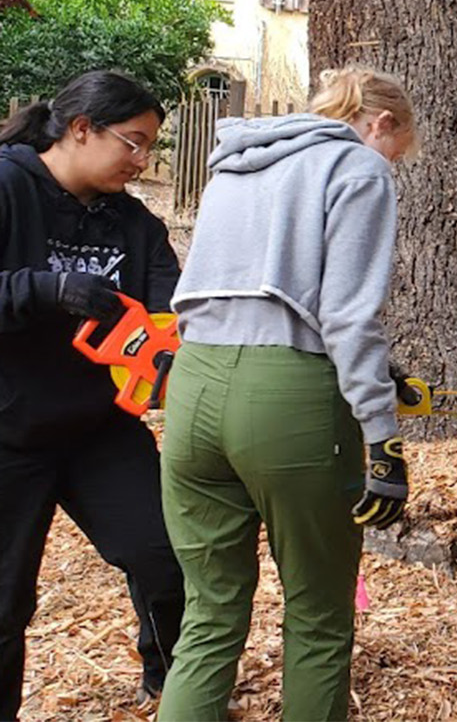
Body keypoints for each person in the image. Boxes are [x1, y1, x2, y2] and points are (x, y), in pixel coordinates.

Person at [156, 67, 416, 721]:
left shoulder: (236, 162)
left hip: (192, 389)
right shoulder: (357, 167)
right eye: (398, 149)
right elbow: (347, 316)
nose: (393, 164)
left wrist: (374, 373)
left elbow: (255, 289)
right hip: (288, 399)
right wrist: (383, 439)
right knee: (320, 615)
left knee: (210, 613)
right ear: (379, 124)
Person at [0, 71, 185, 718]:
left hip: (99, 430)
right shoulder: (7, 187)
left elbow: (174, 314)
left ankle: (169, 683)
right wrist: (42, 289)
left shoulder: (135, 225)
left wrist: (171, 355)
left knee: (163, 554)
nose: (142, 161)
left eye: (149, 148)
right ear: (82, 129)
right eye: (132, 144)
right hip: (9, 430)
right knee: (4, 601)